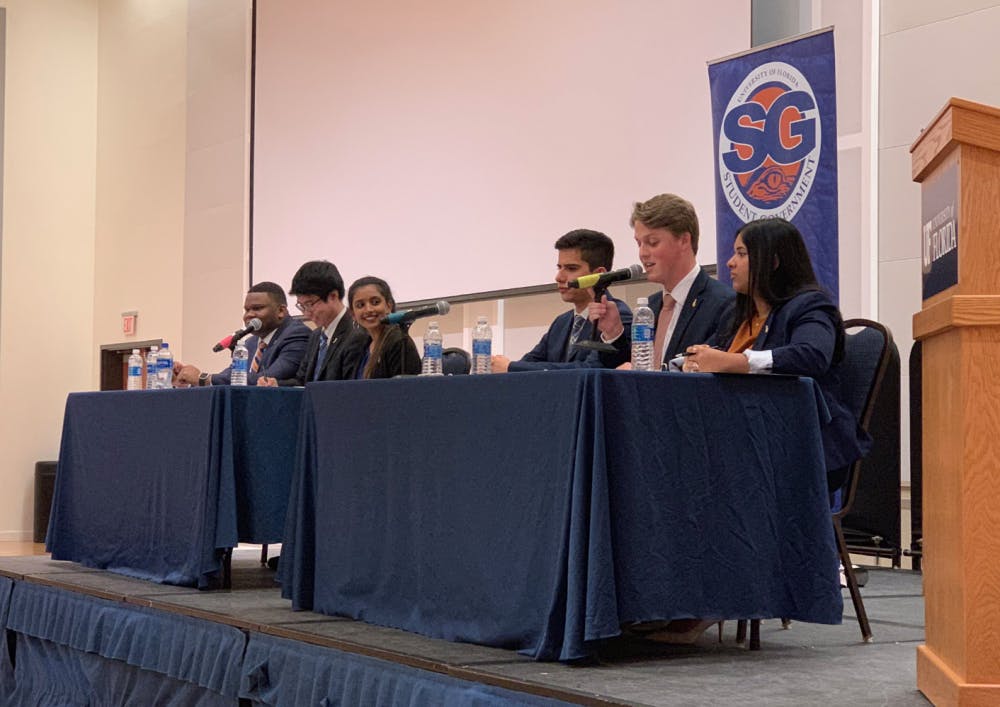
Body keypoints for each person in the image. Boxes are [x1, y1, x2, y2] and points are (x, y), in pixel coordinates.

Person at [682, 217, 870, 493]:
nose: (730, 263)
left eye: (742, 254)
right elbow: (711, 354)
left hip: (796, 443)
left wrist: (739, 362)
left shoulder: (810, 306)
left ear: (773, 262)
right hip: (741, 435)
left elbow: (812, 355)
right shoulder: (736, 314)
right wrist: (691, 360)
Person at [590, 194, 733, 369]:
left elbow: (710, 375)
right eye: (639, 243)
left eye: (652, 242)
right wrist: (613, 332)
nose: (642, 253)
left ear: (684, 241)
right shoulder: (650, 305)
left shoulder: (723, 304)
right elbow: (631, 368)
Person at [491, 229, 632, 373]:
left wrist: (510, 367)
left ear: (599, 275)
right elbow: (531, 362)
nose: (559, 277)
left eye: (571, 268)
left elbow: (590, 369)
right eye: (559, 267)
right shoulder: (561, 322)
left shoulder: (618, 316)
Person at [173, 282, 310, 386]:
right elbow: (229, 376)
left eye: (257, 308)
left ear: (280, 311)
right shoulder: (250, 343)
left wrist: (203, 378)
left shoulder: (297, 335)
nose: (249, 315)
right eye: (246, 310)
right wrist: (184, 377)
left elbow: (267, 378)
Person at [258, 260, 355, 386]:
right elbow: (302, 381)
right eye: (302, 306)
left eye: (310, 304)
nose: (306, 313)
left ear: (333, 296)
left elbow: (348, 387)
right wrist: (276, 384)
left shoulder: (355, 332)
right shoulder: (316, 336)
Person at [345, 276, 421, 378]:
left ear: (388, 306)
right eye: (360, 305)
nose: (368, 309)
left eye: (375, 302)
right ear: (353, 314)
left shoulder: (399, 342)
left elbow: (406, 390)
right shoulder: (360, 345)